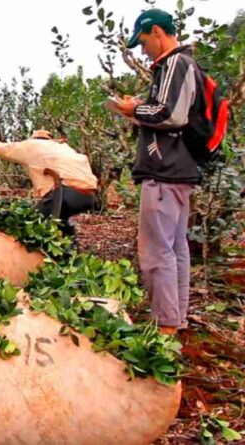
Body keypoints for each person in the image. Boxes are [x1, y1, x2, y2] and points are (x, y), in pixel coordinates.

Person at [112, 9, 204, 335]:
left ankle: (164, 327)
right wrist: (140, 107)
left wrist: (132, 109)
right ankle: (174, 320)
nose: (142, 49)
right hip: (180, 171)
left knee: (155, 253)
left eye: (144, 41)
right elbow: (170, 109)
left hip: (164, 171)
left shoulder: (174, 64)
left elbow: (170, 114)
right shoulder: (186, 65)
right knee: (176, 249)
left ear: (156, 31)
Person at [0, 130, 97, 236]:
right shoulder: (64, 148)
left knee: (32, 224)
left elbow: (4, 149)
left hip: (64, 193)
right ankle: (70, 250)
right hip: (88, 196)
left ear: (34, 139)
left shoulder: (32, 146)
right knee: (59, 221)